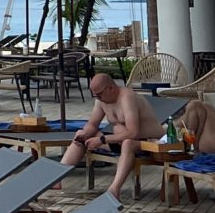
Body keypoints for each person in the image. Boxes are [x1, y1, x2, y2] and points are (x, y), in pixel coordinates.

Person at [59, 73, 162, 201]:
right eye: (95, 95)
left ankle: (114, 189)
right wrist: (85, 133)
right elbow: (92, 124)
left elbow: (133, 132)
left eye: (99, 94)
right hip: (118, 141)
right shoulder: (101, 101)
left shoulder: (127, 97)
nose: (98, 98)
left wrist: (102, 139)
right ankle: (57, 178)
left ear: (111, 88)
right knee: (81, 135)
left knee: (128, 143)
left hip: (149, 143)